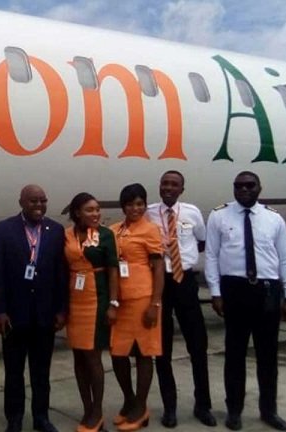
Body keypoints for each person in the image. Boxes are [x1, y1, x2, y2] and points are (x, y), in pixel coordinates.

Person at [205, 171, 286, 431]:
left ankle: (269, 410)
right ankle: (234, 410)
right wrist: (215, 293)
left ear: (259, 188)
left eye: (249, 185)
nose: (244, 189)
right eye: (238, 186)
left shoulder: (273, 219)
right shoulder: (219, 216)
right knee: (234, 355)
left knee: (268, 356)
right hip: (234, 290)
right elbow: (211, 256)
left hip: (267, 291)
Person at [0, 185, 67, 432]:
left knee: (41, 372)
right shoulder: (4, 228)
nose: (39, 205)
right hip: (13, 315)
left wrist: (62, 310)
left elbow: (61, 274)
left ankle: (41, 417)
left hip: (44, 315)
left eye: (43, 201)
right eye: (33, 201)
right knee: (14, 372)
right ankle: (15, 418)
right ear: (21, 201)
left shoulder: (55, 230)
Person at [146, 170, 216, 428]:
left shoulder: (192, 212)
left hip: (185, 280)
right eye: (164, 183)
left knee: (197, 346)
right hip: (160, 283)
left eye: (174, 184)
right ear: (159, 186)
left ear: (181, 189)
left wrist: (181, 259)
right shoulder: (149, 213)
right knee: (162, 348)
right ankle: (170, 407)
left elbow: (200, 241)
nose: (168, 187)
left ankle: (203, 405)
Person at [109, 184, 165, 432]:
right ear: (123, 207)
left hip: (143, 298)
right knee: (118, 353)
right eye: (131, 204)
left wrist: (155, 303)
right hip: (120, 301)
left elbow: (159, 269)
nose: (136, 208)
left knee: (144, 353)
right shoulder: (114, 231)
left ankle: (141, 408)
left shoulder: (150, 230)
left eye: (140, 203)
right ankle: (129, 400)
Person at [64, 192, 119, 432]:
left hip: (97, 299)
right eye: (89, 210)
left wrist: (113, 304)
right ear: (77, 213)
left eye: (97, 209)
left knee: (93, 357)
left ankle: (97, 411)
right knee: (79, 356)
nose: (96, 214)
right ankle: (87, 408)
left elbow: (114, 271)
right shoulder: (66, 235)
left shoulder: (106, 236)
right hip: (74, 301)